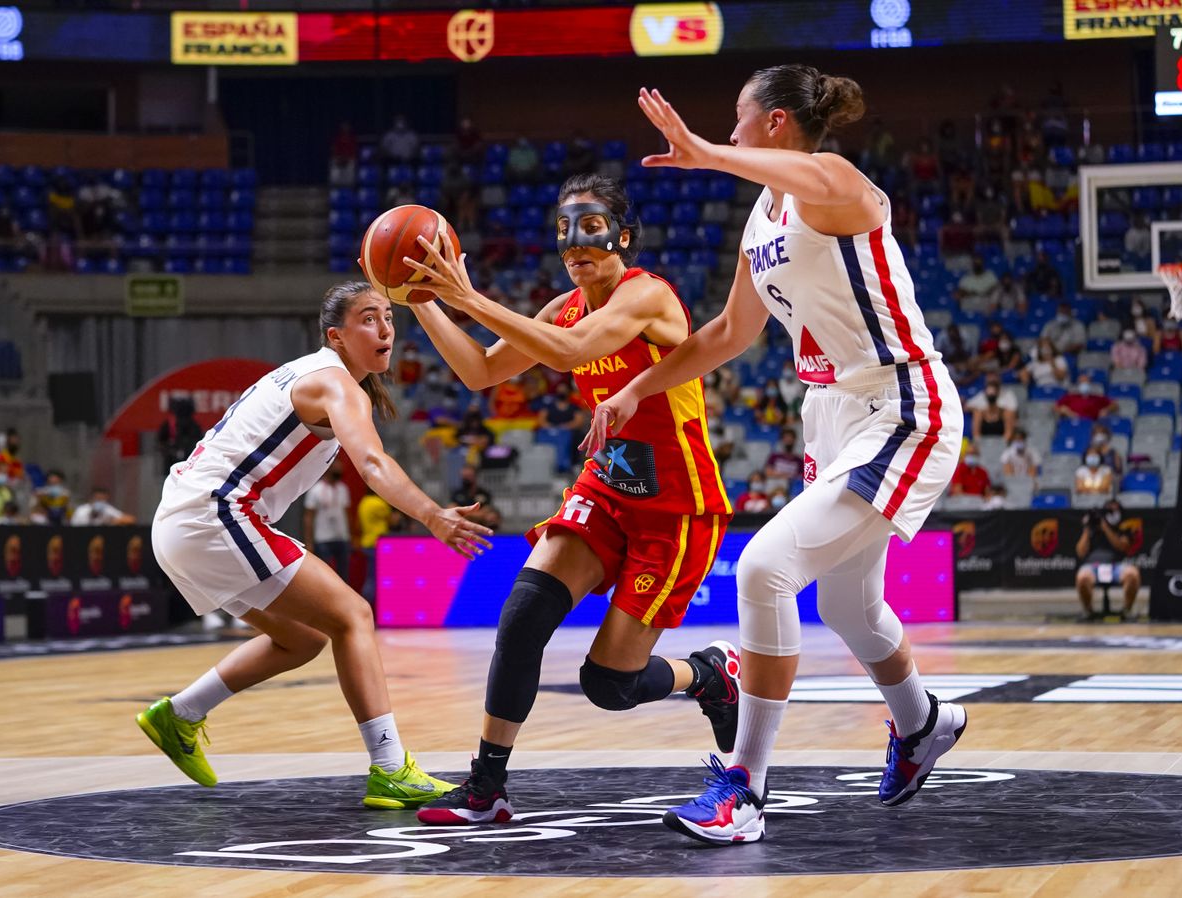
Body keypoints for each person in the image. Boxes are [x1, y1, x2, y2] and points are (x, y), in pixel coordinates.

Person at [590, 68, 966, 846]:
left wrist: (701, 152)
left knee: (764, 571)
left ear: (776, 123)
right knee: (847, 609)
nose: (728, 134)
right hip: (829, 413)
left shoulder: (837, 183)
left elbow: (800, 172)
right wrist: (639, 388)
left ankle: (745, 792)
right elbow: (729, 332)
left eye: (737, 121)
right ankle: (923, 723)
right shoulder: (762, 215)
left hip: (901, 402)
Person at [397, 173, 741, 825]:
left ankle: (710, 674)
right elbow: (479, 372)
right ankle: (485, 788)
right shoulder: (564, 306)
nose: (577, 243)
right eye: (565, 230)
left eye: (591, 228)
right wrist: (420, 300)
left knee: (607, 686)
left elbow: (570, 352)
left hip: (675, 508)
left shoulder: (647, 296)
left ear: (623, 236)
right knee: (523, 615)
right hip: (606, 491)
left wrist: (467, 294)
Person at [137, 281, 490, 811]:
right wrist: (432, 515)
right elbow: (372, 465)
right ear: (337, 335)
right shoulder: (332, 382)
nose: (386, 329)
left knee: (303, 639)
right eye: (369, 318)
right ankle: (391, 769)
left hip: (184, 521)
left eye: (389, 318)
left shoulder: (321, 376)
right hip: (215, 514)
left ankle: (180, 713)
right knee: (353, 614)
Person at [1075, 499, 1139, 621]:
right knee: (1082, 577)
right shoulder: (1092, 530)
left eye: (1114, 510)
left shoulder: (1123, 529)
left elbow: (1122, 546)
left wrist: (1106, 528)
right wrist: (1087, 528)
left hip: (1116, 566)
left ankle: (1127, 610)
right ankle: (1088, 611)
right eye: (1109, 510)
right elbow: (1080, 552)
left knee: (1133, 574)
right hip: (1093, 566)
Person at [304, 463, 353, 584]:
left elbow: (347, 513)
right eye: (336, 467)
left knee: (344, 575)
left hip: (342, 538)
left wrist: (351, 535)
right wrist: (309, 542)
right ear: (328, 468)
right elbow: (308, 517)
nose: (339, 470)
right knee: (325, 577)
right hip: (323, 538)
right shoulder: (315, 490)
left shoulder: (343, 488)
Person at [355, 485, 395, 604]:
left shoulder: (363, 502)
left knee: (370, 577)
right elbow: (392, 520)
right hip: (378, 544)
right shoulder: (379, 503)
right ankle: (367, 606)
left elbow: (358, 525)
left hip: (366, 542)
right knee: (375, 579)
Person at [966, 375, 1016, 443]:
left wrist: (1000, 445)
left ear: (998, 394)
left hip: (1002, 445)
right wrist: (983, 446)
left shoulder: (1005, 412)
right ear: (985, 395)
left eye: (993, 395)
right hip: (983, 446)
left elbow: (1008, 433)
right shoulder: (979, 413)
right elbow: (976, 434)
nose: (991, 396)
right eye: (989, 395)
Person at [69, 487, 134, 526]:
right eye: (98, 499)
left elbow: (130, 519)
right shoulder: (81, 510)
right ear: (91, 499)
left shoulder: (107, 509)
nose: (100, 502)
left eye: (103, 499)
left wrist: (113, 522)